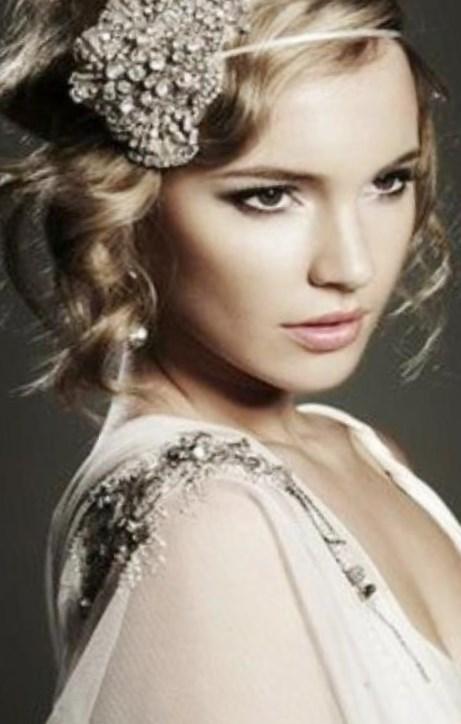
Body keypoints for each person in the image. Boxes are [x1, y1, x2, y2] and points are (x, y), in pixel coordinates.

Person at [1, 0, 460, 721]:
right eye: (269, 195)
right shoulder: (210, 519)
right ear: (128, 205)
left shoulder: (358, 451)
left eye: (388, 182)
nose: (352, 266)